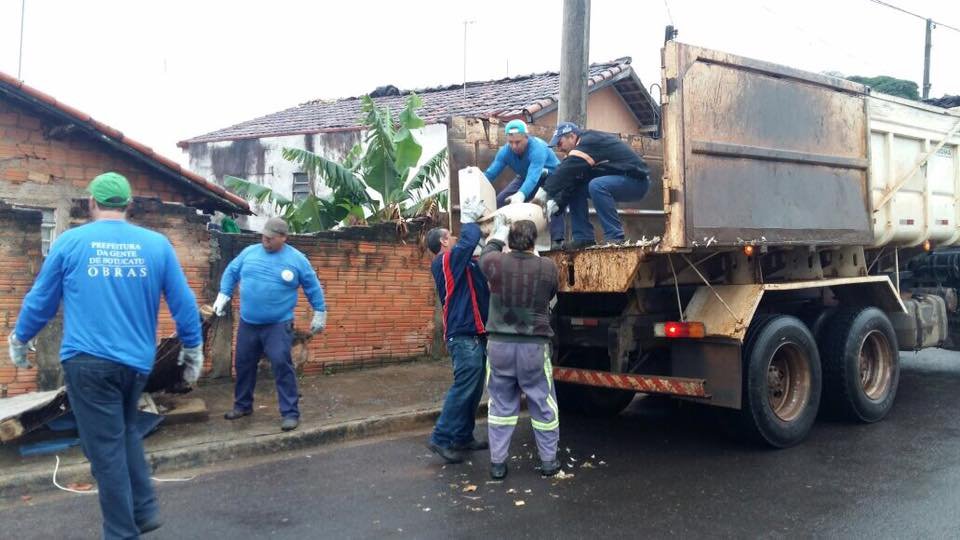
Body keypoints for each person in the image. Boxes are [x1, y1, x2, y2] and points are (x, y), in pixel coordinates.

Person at [8, 172, 204, 539]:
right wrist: (192, 350)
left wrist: (20, 338)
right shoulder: (156, 245)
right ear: (129, 205)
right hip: (135, 364)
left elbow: (41, 300)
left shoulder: (70, 243)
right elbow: (184, 303)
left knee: (105, 451)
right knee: (125, 429)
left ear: (92, 203)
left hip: (88, 363)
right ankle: (144, 509)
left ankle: (120, 532)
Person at [213, 217, 327, 432]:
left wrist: (320, 312)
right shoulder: (249, 252)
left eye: (271, 238)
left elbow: (312, 286)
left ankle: (290, 413)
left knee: (281, 365)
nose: (265, 240)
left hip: (278, 325)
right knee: (243, 365)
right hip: (249, 323)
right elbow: (231, 272)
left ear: (283, 238)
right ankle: (243, 406)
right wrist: (223, 295)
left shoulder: (297, 259)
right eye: (264, 236)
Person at [478, 216, 560, 479]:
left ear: (509, 240)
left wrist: (498, 232)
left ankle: (498, 464)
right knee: (542, 403)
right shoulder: (547, 267)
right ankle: (548, 462)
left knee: (500, 405)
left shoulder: (495, 263)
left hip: (499, 346)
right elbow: (550, 294)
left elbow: (486, 252)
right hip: (533, 348)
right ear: (533, 241)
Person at [424, 196, 491, 464]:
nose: (453, 239)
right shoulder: (445, 261)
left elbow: (477, 257)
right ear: (443, 242)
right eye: (449, 236)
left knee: (474, 388)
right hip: (462, 335)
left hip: (474, 333)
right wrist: (471, 220)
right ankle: (441, 437)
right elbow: (467, 241)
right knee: (464, 385)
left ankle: (463, 435)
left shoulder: (460, 263)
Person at [541, 121, 651, 249]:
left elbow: (564, 172)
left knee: (597, 185)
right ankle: (583, 238)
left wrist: (542, 194)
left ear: (571, 136)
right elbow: (571, 180)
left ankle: (615, 237)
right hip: (620, 180)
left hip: (636, 181)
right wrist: (556, 204)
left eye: (559, 143)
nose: (559, 149)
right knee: (576, 188)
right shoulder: (581, 153)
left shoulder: (589, 141)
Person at [484, 119, 564, 248]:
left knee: (552, 204)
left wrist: (521, 194)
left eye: (518, 142)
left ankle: (557, 241)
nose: (514, 146)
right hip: (525, 176)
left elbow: (533, 176)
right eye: (511, 142)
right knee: (500, 201)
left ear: (527, 137)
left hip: (550, 176)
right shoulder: (505, 152)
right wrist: (475, 184)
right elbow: (491, 173)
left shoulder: (538, 148)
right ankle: (497, 238)